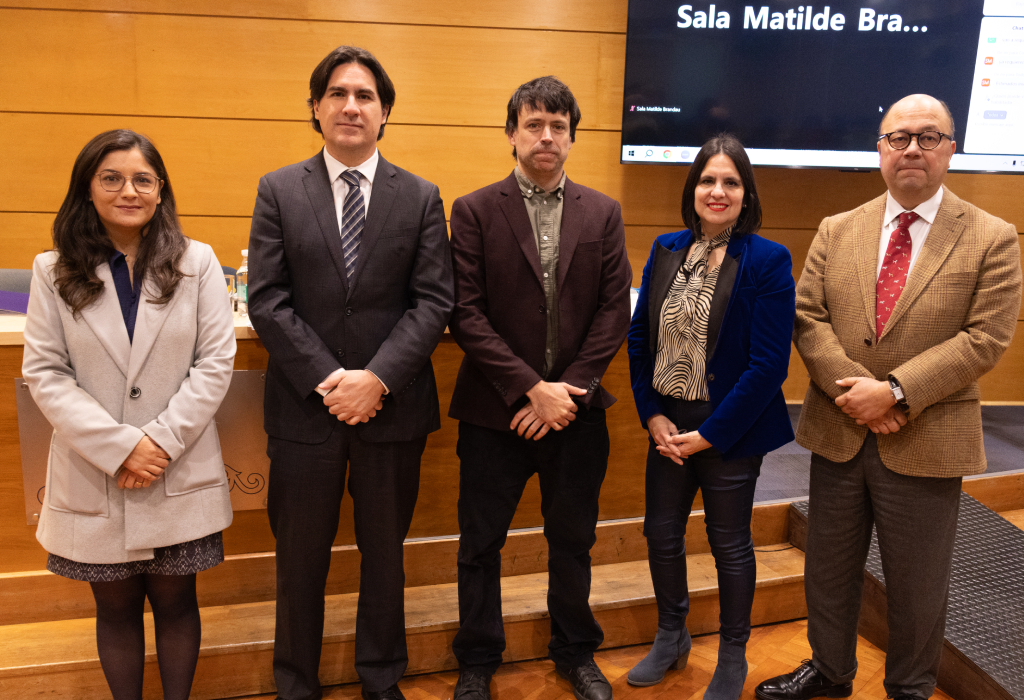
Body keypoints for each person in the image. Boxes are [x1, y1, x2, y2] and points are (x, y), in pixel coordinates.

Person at [755, 94, 1022, 700]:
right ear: (879, 149)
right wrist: (859, 394)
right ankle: (829, 671)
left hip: (928, 435)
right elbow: (808, 317)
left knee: (918, 582)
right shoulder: (836, 229)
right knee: (828, 568)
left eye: (928, 137)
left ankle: (909, 686)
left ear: (950, 149)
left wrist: (896, 392)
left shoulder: (992, 236)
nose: (911, 149)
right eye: (897, 137)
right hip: (840, 428)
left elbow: (987, 338)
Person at [246, 45, 454, 700]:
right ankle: (295, 684)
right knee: (299, 563)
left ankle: (381, 681)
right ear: (315, 107)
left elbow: (433, 301)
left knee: (385, 560)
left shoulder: (420, 197)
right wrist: (333, 380)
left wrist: (377, 379)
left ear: (385, 113)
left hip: (392, 412)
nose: (351, 106)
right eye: (337, 93)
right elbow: (267, 301)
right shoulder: (279, 190)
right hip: (306, 414)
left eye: (365, 96)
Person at [21, 129, 236, 700]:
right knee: (114, 609)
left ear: (160, 190)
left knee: (176, 602)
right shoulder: (51, 270)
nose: (128, 191)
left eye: (143, 179)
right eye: (111, 178)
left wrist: (158, 443)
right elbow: (45, 372)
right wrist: (121, 448)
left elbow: (216, 361)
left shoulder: (198, 262)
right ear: (87, 189)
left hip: (176, 465)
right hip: (98, 471)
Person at [446, 76, 632, 700]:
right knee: (480, 545)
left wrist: (567, 391)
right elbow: (465, 314)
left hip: (576, 415)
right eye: (534, 124)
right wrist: (530, 389)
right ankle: (477, 659)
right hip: (493, 413)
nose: (546, 135)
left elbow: (614, 311)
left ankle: (574, 652)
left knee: (573, 538)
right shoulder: (473, 210)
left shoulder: (603, 212)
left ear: (572, 138)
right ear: (512, 135)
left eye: (558, 125)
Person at [625, 134, 795, 699]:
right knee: (661, 535)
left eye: (730, 182)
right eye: (707, 180)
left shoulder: (767, 260)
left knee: (730, 545)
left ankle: (732, 655)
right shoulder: (664, 249)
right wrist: (651, 415)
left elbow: (769, 365)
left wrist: (710, 435)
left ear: (746, 195)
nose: (717, 191)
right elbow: (639, 337)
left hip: (730, 430)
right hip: (668, 427)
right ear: (692, 188)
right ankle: (671, 636)